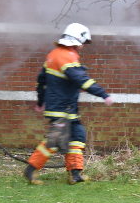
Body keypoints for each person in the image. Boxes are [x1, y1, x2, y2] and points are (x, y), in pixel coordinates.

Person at [23, 23, 114, 185]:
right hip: (62, 109)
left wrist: (40, 101)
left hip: (66, 108)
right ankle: (31, 170)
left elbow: (41, 81)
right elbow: (82, 80)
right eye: (83, 43)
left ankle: (75, 174)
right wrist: (103, 94)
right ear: (77, 40)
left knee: (77, 136)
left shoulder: (54, 54)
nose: (83, 47)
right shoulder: (66, 57)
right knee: (54, 141)